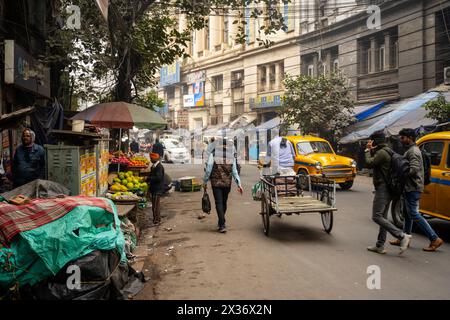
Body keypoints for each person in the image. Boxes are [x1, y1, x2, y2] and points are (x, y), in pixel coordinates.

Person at [389, 128, 443, 252]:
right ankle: (404, 238)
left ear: (409, 138)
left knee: (413, 213)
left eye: (403, 137)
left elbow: (413, 169)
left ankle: (434, 238)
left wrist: (401, 172)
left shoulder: (413, 151)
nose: (401, 140)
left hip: (412, 187)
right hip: (410, 187)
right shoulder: (411, 150)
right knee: (407, 214)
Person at [365, 130, 411, 254]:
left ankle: (401, 236)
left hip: (383, 188)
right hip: (389, 188)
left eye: (372, 140)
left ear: (376, 141)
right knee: (383, 217)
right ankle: (380, 245)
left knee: (376, 216)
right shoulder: (387, 150)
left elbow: (369, 163)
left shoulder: (382, 153)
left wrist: (367, 150)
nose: (371, 142)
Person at [203, 138, 243, 233]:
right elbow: (234, 172)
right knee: (223, 202)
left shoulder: (214, 155)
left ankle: (222, 224)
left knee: (219, 203)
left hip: (216, 183)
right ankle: (221, 222)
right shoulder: (231, 157)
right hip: (227, 184)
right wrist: (239, 184)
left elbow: (208, 169)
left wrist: (204, 182)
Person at [148, 152, 165, 226]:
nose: (150, 160)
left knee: (155, 206)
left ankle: (157, 220)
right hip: (154, 189)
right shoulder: (154, 166)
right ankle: (156, 219)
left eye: (151, 158)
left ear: (155, 158)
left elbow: (158, 178)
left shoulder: (159, 167)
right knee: (154, 205)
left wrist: (148, 178)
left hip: (157, 189)